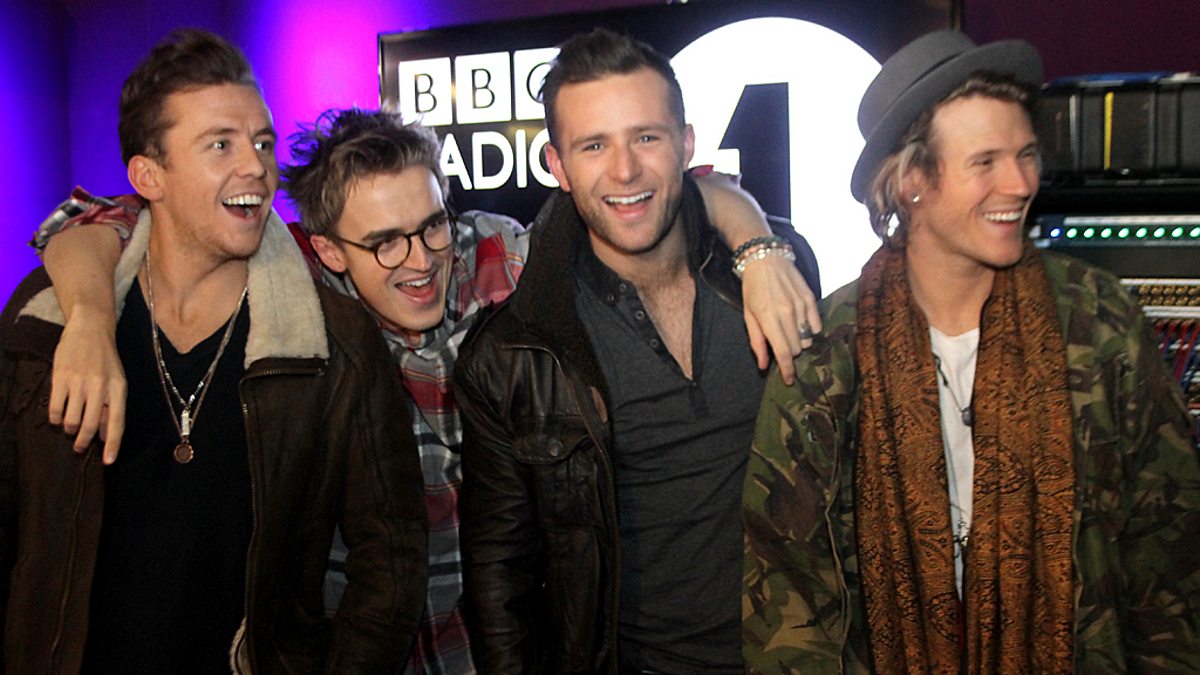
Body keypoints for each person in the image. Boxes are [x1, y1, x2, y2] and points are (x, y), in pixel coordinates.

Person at [32, 106, 819, 674]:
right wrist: (91, 319)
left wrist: (757, 248)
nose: (419, 259)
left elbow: (680, 189)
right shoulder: (296, 293)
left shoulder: (506, 256)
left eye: (431, 224)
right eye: (383, 241)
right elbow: (88, 218)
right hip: (373, 646)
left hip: (516, 642)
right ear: (327, 249)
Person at [742, 30, 1200, 673]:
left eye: (1026, 154)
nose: (1020, 183)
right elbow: (786, 586)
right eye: (985, 162)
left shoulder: (1098, 322)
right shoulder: (828, 354)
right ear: (910, 181)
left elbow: (1169, 552)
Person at [0, 30, 428, 673]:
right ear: (149, 175)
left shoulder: (336, 342)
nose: (255, 165)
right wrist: (87, 319)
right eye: (221, 144)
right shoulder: (47, 324)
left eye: (262, 142)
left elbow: (391, 561)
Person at [452, 28, 820, 673]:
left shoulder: (777, 270)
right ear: (558, 166)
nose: (624, 171)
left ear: (687, 144)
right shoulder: (514, 354)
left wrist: (760, 246)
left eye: (646, 137)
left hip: (800, 656)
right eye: (594, 145)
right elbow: (499, 579)